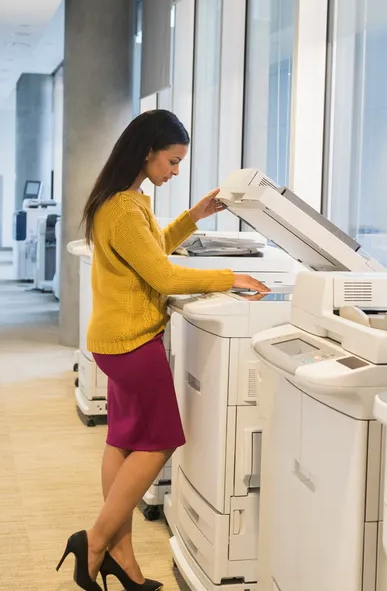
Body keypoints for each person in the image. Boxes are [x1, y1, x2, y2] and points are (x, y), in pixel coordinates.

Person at [57, 109, 270, 591]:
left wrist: (192, 218)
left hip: (116, 341)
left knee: (123, 441)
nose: (175, 171)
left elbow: (152, 252)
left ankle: (122, 561)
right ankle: (92, 543)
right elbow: (164, 275)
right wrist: (229, 278)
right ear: (148, 150)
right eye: (172, 161)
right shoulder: (124, 209)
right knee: (160, 441)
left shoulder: (127, 200)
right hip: (133, 344)